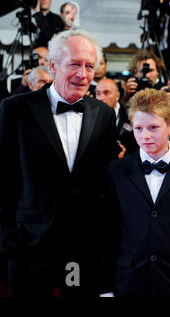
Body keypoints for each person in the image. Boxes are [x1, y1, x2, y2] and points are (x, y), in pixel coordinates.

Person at [0, 29, 117, 297]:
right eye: (74, 64)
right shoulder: (15, 109)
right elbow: (3, 177)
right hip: (29, 245)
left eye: (89, 66)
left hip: (80, 250)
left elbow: (106, 182)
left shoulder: (104, 115)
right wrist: (7, 236)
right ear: (52, 66)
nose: (83, 74)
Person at [105, 88, 170, 297]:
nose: (145, 136)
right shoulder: (116, 171)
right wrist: (106, 289)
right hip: (128, 282)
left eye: (153, 127)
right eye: (138, 128)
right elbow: (108, 235)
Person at [95, 78, 137, 157]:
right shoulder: (90, 117)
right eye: (98, 93)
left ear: (117, 96)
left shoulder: (131, 116)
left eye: (106, 93)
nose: (101, 98)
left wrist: (126, 155)